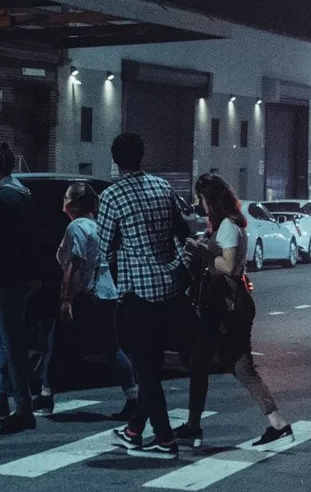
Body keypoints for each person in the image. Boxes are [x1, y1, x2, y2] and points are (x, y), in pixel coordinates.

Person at [99, 132, 195, 459]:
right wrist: (178, 265)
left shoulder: (112, 197)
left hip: (138, 292)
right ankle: (134, 430)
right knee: (151, 365)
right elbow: (183, 232)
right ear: (142, 155)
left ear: (115, 159)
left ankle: (165, 439)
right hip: (169, 288)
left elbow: (103, 247)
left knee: (146, 370)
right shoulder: (162, 187)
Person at [180, 172, 292, 447]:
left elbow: (228, 267)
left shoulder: (229, 227)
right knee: (242, 367)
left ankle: (193, 426)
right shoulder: (230, 225)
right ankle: (278, 424)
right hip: (234, 303)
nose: (200, 204)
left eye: (202, 198)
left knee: (200, 363)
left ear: (212, 199)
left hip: (224, 304)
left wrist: (201, 252)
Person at [44, 181, 137, 421]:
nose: (63, 201)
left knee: (56, 342)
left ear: (74, 203)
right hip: (107, 294)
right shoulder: (100, 227)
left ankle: (45, 395)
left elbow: (74, 265)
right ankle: (132, 396)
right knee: (111, 347)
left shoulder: (76, 227)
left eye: (66, 197)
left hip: (86, 294)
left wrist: (66, 299)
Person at [0, 143, 38, 434]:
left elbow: (2, 245)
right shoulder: (20, 193)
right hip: (21, 277)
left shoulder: (4, 199)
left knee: (13, 344)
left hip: (11, 280)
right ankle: (0, 397)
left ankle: (22, 408)